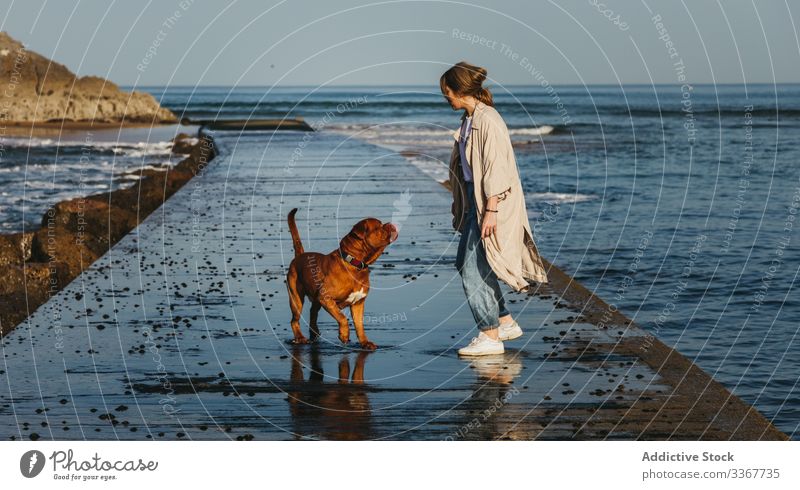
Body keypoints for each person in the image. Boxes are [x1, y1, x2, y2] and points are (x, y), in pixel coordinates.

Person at [440, 61, 549, 356]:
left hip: (491, 206)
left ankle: (490, 337)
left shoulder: (488, 120)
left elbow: (496, 169)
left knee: (473, 268)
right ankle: (504, 321)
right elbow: (467, 171)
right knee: (468, 262)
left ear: (460, 90)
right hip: (477, 206)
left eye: (447, 91)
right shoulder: (470, 119)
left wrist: (491, 210)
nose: (445, 97)